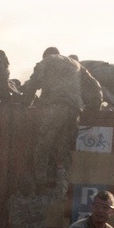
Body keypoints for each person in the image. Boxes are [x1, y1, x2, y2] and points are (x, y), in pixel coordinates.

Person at [19, 48, 102, 187]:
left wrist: (26, 101)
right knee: (63, 147)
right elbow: (95, 85)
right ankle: (62, 186)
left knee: (43, 146)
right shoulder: (76, 64)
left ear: (46, 55)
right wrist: (96, 105)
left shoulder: (47, 61)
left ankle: (41, 185)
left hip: (56, 107)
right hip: (74, 110)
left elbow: (35, 81)